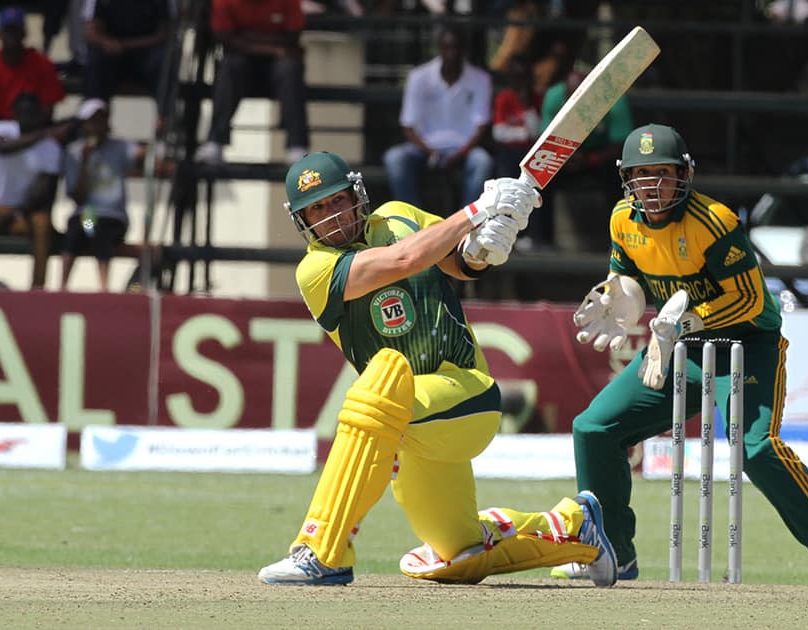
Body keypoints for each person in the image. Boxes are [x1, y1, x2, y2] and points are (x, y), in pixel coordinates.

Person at [256, 151, 617, 587]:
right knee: (459, 555)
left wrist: (488, 242)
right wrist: (478, 211)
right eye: (318, 209)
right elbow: (402, 261)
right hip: (411, 424)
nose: (332, 216)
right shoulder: (315, 270)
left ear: (357, 194)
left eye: (337, 201)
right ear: (303, 221)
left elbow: (459, 260)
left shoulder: (399, 216)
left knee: (385, 374)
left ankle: (321, 551)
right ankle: (577, 529)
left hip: (464, 393)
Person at [550, 123, 808, 587]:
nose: (652, 186)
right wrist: (619, 297)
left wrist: (689, 320)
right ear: (626, 179)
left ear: (684, 175)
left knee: (755, 450)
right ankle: (614, 553)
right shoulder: (623, 219)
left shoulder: (713, 221)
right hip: (676, 347)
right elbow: (625, 279)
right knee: (594, 428)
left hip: (745, 347)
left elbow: (751, 301)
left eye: (663, 173)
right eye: (642, 175)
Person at [383, 27, 493, 210]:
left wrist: (461, 153)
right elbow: (408, 125)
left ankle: (466, 224)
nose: (452, 53)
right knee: (394, 158)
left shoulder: (480, 79)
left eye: (456, 47)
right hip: (424, 148)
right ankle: (412, 221)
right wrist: (430, 151)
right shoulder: (419, 77)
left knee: (483, 161)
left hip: (465, 150)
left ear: (463, 50)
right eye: (447, 47)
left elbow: (482, 125)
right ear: (439, 49)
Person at [0, 92, 66, 290]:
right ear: (15, 113)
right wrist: (40, 135)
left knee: (43, 224)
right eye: (24, 113)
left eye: (32, 113)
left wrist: (19, 212)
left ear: (40, 114)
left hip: (22, 214)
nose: (28, 117)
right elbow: (1, 148)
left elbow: (43, 191)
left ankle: (37, 289)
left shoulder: (51, 148)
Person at [527, 67, 632, 250]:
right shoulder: (554, 96)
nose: (576, 104)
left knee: (619, 173)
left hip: (600, 154)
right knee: (540, 173)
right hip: (563, 154)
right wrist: (564, 158)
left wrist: (590, 160)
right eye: (572, 98)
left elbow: (621, 143)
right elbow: (544, 141)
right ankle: (541, 240)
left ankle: (619, 241)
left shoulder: (613, 97)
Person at [194, 0, 310, 165]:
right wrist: (271, 46)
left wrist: (246, 38)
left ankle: (297, 146)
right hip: (242, 59)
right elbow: (224, 37)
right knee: (229, 66)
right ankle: (215, 142)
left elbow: (292, 36)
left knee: (290, 69)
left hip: (277, 62)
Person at [0, 7, 65, 192]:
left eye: (16, 30)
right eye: (7, 30)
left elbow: (47, 111)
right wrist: (6, 132)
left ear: (24, 33)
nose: (11, 35)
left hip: (33, 127)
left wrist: (26, 132)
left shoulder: (41, 64)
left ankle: (41, 212)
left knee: (57, 142)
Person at [59, 99, 146, 292]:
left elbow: (141, 154)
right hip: (87, 215)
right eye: (92, 122)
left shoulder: (120, 146)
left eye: (100, 121)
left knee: (101, 234)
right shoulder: (75, 152)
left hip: (113, 216)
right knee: (76, 234)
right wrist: (84, 162)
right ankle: (62, 286)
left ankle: (103, 287)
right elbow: (77, 197)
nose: (97, 127)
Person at [83, 0, 174, 108]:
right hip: (112, 53)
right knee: (97, 60)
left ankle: (165, 117)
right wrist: (106, 42)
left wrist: (126, 45)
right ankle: (94, 113)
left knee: (164, 63)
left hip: (148, 52)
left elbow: (165, 33)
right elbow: (91, 32)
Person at [491, 53, 541, 180]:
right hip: (508, 152)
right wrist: (524, 134)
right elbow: (499, 133)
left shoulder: (536, 99)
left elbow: (535, 133)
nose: (521, 82)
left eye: (524, 77)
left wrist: (527, 105)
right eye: (517, 77)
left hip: (532, 154)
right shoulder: (504, 98)